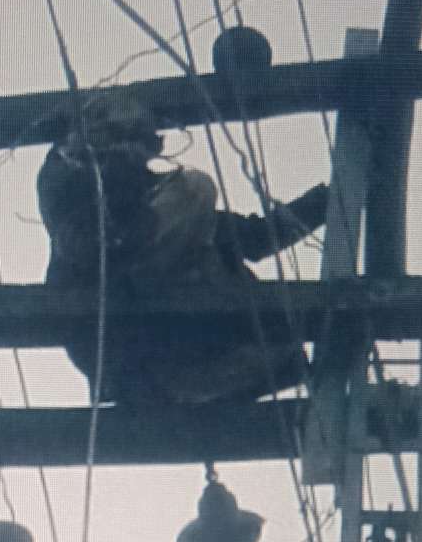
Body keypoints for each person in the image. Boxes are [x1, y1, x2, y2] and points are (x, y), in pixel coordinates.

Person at [36, 88, 333, 405]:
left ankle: (202, 384)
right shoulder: (69, 179)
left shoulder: (176, 213)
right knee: (196, 187)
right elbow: (84, 244)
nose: (136, 149)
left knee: (283, 348)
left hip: (177, 358)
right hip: (122, 344)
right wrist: (120, 171)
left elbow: (255, 237)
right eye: (125, 134)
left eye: (143, 139)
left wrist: (327, 201)